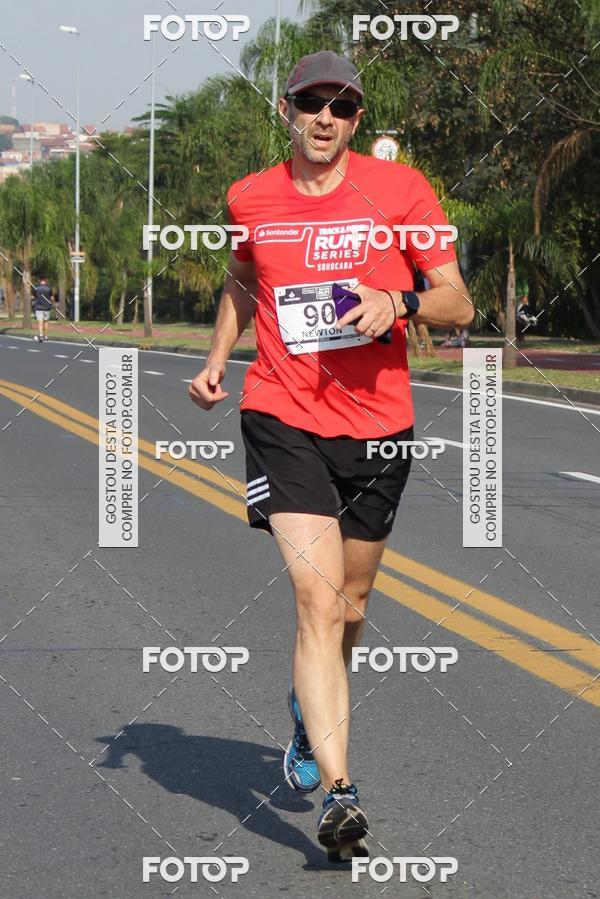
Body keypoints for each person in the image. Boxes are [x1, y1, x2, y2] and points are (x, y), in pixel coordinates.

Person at [189, 50, 474, 863]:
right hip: (281, 411)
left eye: (341, 107)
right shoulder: (251, 195)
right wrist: (217, 358)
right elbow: (245, 281)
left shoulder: (403, 190)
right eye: (311, 102)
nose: (325, 117)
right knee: (316, 602)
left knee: (349, 606)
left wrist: (399, 299)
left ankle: (307, 711)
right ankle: (341, 794)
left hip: (379, 424)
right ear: (287, 109)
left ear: (356, 119)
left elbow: (459, 299)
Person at [31, 277, 55, 342]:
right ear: (45, 280)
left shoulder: (36, 288)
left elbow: (33, 297)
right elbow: (52, 298)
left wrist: (34, 302)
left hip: (38, 307)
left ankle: (41, 336)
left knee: (40, 322)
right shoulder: (49, 288)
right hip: (47, 307)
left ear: (39, 280)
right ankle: (46, 337)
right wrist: (51, 304)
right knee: (46, 322)